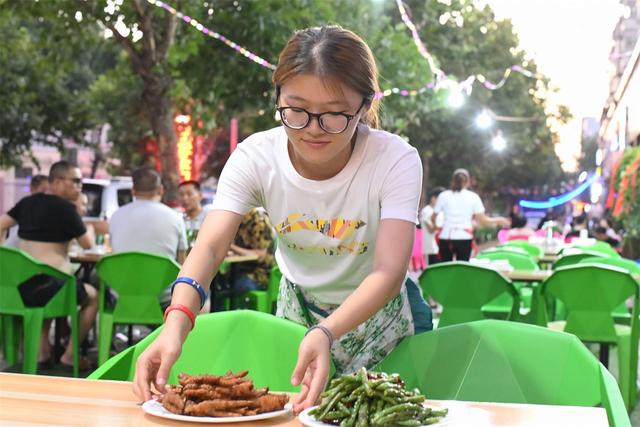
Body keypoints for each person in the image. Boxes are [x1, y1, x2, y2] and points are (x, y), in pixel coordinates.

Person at [132, 26, 432, 414]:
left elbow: (389, 270)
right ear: (277, 98)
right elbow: (207, 247)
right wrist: (176, 324)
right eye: (296, 109)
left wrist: (327, 331)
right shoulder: (256, 157)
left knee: (381, 415)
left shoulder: (395, 160)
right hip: (298, 310)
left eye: (334, 114)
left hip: (381, 313)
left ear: (364, 105)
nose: (312, 128)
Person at [0, 161, 98, 369]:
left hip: (20, 287)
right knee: (94, 297)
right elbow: (87, 244)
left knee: (50, 287)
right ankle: (70, 355)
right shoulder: (67, 210)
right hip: (52, 290)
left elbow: (1, 225)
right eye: (76, 181)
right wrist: (90, 229)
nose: (80, 186)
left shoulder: (28, 203)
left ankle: (41, 353)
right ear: (58, 182)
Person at [109, 166, 188, 264]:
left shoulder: (116, 216)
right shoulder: (175, 218)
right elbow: (182, 262)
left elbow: (113, 251)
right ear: (161, 190)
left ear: (133, 191)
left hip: (121, 278)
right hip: (163, 279)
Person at [433, 168, 510, 261]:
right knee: (463, 269)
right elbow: (483, 220)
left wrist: (437, 227)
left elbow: (433, 216)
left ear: (453, 180)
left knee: (445, 267)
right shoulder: (473, 197)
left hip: (445, 237)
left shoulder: (443, 195)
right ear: (468, 181)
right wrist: (499, 220)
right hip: (464, 237)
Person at [3, 174, 49, 247]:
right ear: (32, 189)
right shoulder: (25, 207)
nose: (47, 196)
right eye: (44, 191)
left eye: (49, 192)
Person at [177, 180, 212, 248]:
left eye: (189, 194)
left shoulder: (210, 215)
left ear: (200, 195)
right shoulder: (179, 219)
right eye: (181, 195)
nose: (185, 198)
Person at [419, 187, 445, 265]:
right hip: (430, 248)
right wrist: (441, 227)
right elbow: (430, 229)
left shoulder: (441, 212)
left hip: (440, 248)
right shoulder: (426, 211)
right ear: (433, 198)